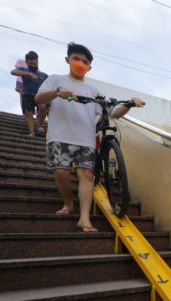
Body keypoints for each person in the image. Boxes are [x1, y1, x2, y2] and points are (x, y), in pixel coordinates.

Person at [34, 42, 145, 232]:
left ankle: (84, 219)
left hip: (85, 139)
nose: (80, 63)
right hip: (59, 136)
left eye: (84, 61)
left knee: (86, 175)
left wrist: (130, 104)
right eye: (76, 59)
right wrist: (57, 93)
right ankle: (68, 204)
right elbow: (38, 99)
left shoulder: (93, 91)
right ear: (67, 59)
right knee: (60, 172)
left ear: (89, 67)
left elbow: (114, 112)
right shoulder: (55, 80)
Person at [11, 51, 48, 137]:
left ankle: (41, 125)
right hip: (27, 94)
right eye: (31, 63)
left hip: (39, 95)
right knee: (28, 113)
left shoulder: (43, 74)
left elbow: (52, 82)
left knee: (42, 107)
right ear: (26, 62)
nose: (33, 65)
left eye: (35, 63)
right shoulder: (23, 70)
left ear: (37, 62)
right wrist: (28, 73)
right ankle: (32, 132)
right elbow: (13, 72)